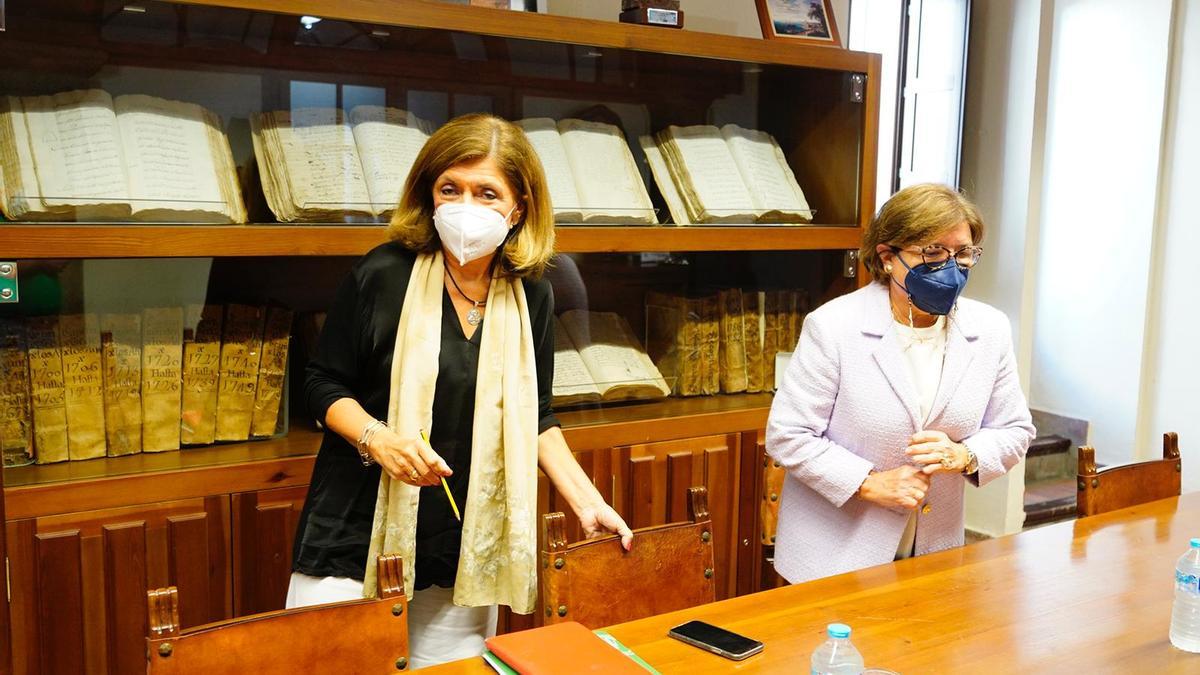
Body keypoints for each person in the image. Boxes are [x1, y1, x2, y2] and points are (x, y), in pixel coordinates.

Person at [287, 113, 633, 668]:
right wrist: (380, 441)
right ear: (429, 193)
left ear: (519, 207)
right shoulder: (383, 273)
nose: (466, 206)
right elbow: (321, 382)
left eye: (487, 193)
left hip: (463, 537)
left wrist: (588, 504)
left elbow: (535, 416)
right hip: (355, 529)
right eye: (451, 189)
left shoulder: (531, 293)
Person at [766, 183, 1034, 584]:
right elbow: (788, 435)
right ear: (888, 258)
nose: (951, 267)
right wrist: (868, 483)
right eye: (932, 253)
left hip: (933, 552)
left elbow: (1015, 429)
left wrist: (965, 455)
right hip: (835, 557)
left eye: (962, 253)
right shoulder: (835, 326)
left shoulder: (990, 329)